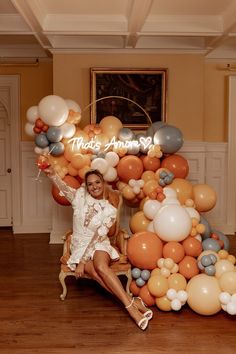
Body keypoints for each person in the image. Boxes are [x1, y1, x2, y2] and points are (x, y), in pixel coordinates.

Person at [44, 163, 153, 330]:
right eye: (90, 184)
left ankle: (131, 309)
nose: (94, 186)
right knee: (95, 273)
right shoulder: (79, 198)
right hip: (80, 245)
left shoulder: (109, 209)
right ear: (86, 187)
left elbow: (97, 236)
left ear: (103, 183)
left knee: (101, 266)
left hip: (99, 243)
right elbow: (64, 188)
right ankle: (132, 301)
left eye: (97, 182)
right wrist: (52, 174)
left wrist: (82, 261)